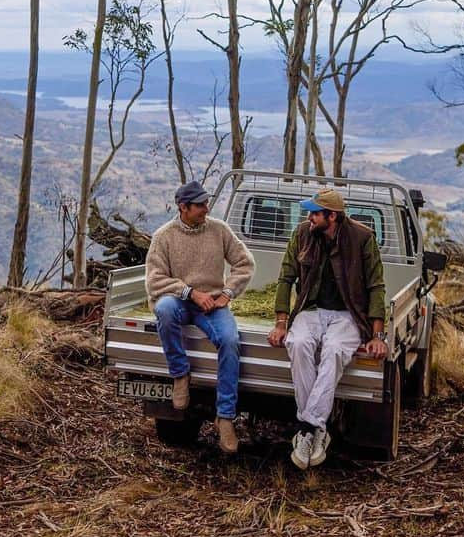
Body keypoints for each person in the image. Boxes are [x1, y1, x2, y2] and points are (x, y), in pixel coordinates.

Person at [267, 187, 387, 469]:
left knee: (334, 351)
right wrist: (281, 323)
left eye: (314, 213)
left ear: (332, 216)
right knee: (297, 345)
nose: (309, 217)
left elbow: (376, 286)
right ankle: (317, 428)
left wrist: (378, 335)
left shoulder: (363, 238)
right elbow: (285, 278)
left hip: (347, 313)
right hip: (310, 309)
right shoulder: (302, 234)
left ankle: (307, 428)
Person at [145, 180, 255, 453]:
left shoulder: (219, 230)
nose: (207, 208)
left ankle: (225, 416)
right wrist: (189, 292)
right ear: (184, 207)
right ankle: (180, 374)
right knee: (164, 309)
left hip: (213, 306)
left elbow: (245, 263)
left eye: (207, 203)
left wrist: (228, 293)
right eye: (200, 205)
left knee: (230, 340)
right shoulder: (164, 236)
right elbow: (154, 281)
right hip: (181, 302)